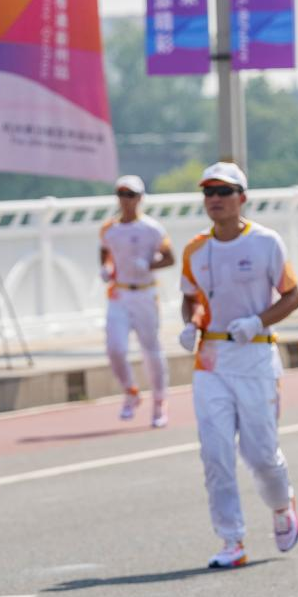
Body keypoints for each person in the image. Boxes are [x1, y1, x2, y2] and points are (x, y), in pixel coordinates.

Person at [179, 162, 298, 569]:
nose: (214, 199)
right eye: (208, 192)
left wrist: (256, 321)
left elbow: (292, 296)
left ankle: (282, 505)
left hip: (255, 356)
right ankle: (232, 539)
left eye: (223, 191)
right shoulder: (195, 248)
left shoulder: (266, 243)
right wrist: (189, 324)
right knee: (214, 452)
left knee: (261, 454)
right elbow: (192, 297)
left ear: (242, 198)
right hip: (211, 360)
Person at [99, 175, 174, 427]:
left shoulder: (152, 229)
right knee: (115, 348)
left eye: (131, 195)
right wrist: (106, 268)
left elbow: (170, 258)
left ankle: (159, 400)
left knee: (150, 349)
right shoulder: (109, 228)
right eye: (121, 194)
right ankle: (130, 392)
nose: (125, 200)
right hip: (119, 294)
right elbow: (104, 251)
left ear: (140, 198)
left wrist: (149, 265)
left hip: (145, 293)